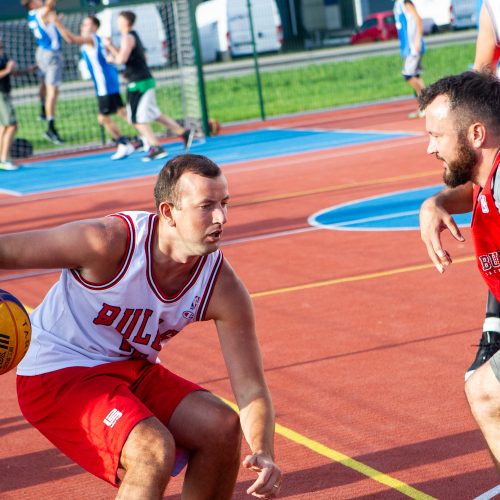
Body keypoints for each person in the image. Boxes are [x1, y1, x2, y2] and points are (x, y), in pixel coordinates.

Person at [1, 153, 282, 498]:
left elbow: (251, 388)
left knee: (221, 426)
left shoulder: (222, 287)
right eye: (206, 206)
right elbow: (6, 250)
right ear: (168, 212)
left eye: (225, 203)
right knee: (152, 449)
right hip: (58, 370)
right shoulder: (107, 243)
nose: (221, 217)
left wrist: (263, 449)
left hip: (131, 369)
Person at [418, 71, 500, 472]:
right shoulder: (487, 177)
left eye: (438, 136)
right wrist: (435, 202)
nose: (430, 148)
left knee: (486, 391)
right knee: (482, 386)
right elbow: (471, 191)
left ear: (476, 135)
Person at [103, 10, 193, 162]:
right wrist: (111, 46)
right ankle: (183, 132)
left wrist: (112, 59)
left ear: (126, 22)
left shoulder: (127, 37)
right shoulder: (133, 36)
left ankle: (156, 147)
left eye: (119, 20)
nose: (117, 23)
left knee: (136, 119)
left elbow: (122, 59)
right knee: (153, 113)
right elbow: (137, 56)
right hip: (143, 80)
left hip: (139, 83)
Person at [53, 15, 135, 160]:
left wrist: (57, 23)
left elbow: (71, 39)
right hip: (106, 83)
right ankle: (142, 136)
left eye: (87, 24)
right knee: (121, 112)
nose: (83, 26)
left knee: (103, 118)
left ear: (94, 28)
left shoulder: (91, 39)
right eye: (83, 24)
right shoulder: (94, 41)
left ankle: (124, 143)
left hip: (105, 85)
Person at [21, 0, 64, 145]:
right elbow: (50, 5)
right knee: (53, 91)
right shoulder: (41, 11)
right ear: (32, 3)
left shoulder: (31, 15)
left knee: (44, 86)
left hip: (41, 52)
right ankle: (50, 127)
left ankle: (42, 110)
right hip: (51, 54)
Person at [393, 0, 426, 119]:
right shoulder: (397, 4)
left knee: (408, 75)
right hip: (407, 47)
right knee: (416, 76)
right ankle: (423, 107)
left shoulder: (406, 3)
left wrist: (417, 40)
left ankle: (426, 100)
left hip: (413, 47)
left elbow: (418, 20)